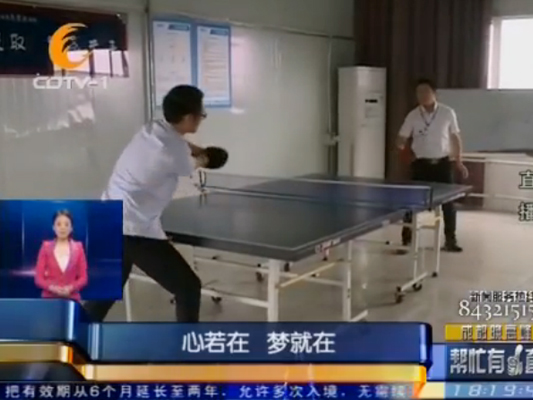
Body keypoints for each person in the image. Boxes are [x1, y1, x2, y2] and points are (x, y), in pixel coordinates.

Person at [84, 85, 228, 323]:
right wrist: (209, 156)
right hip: (133, 230)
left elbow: (184, 146)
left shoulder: (152, 129)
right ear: (188, 117)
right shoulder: (173, 155)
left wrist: (202, 151)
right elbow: (195, 161)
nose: (201, 119)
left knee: (106, 293)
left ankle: (70, 338)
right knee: (188, 287)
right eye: (201, 114)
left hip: (109, 217)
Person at [397, 78, 469, 252]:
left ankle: (450, 240)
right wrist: (402, 149)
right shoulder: (413, 115)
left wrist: (459, 161)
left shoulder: (447, 112)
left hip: (443, 164)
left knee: (449, 204)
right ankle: (407, 240)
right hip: (421, 165)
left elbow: (455, 138)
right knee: (411, 203)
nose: (422, 95)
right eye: (418, 92)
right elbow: (401, 138)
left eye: (425, 91)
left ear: (434, 93)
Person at [34, 210, 88, 301]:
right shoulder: (45, 247)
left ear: (71, 228)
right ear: (53, 227)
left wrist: (70, 288)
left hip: (72, 299)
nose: (62, 228)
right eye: (59, 224)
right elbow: (38, 279)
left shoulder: (78, 248)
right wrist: (53, 288)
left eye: (66, 224)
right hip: (49, 299)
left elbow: (83, 278)